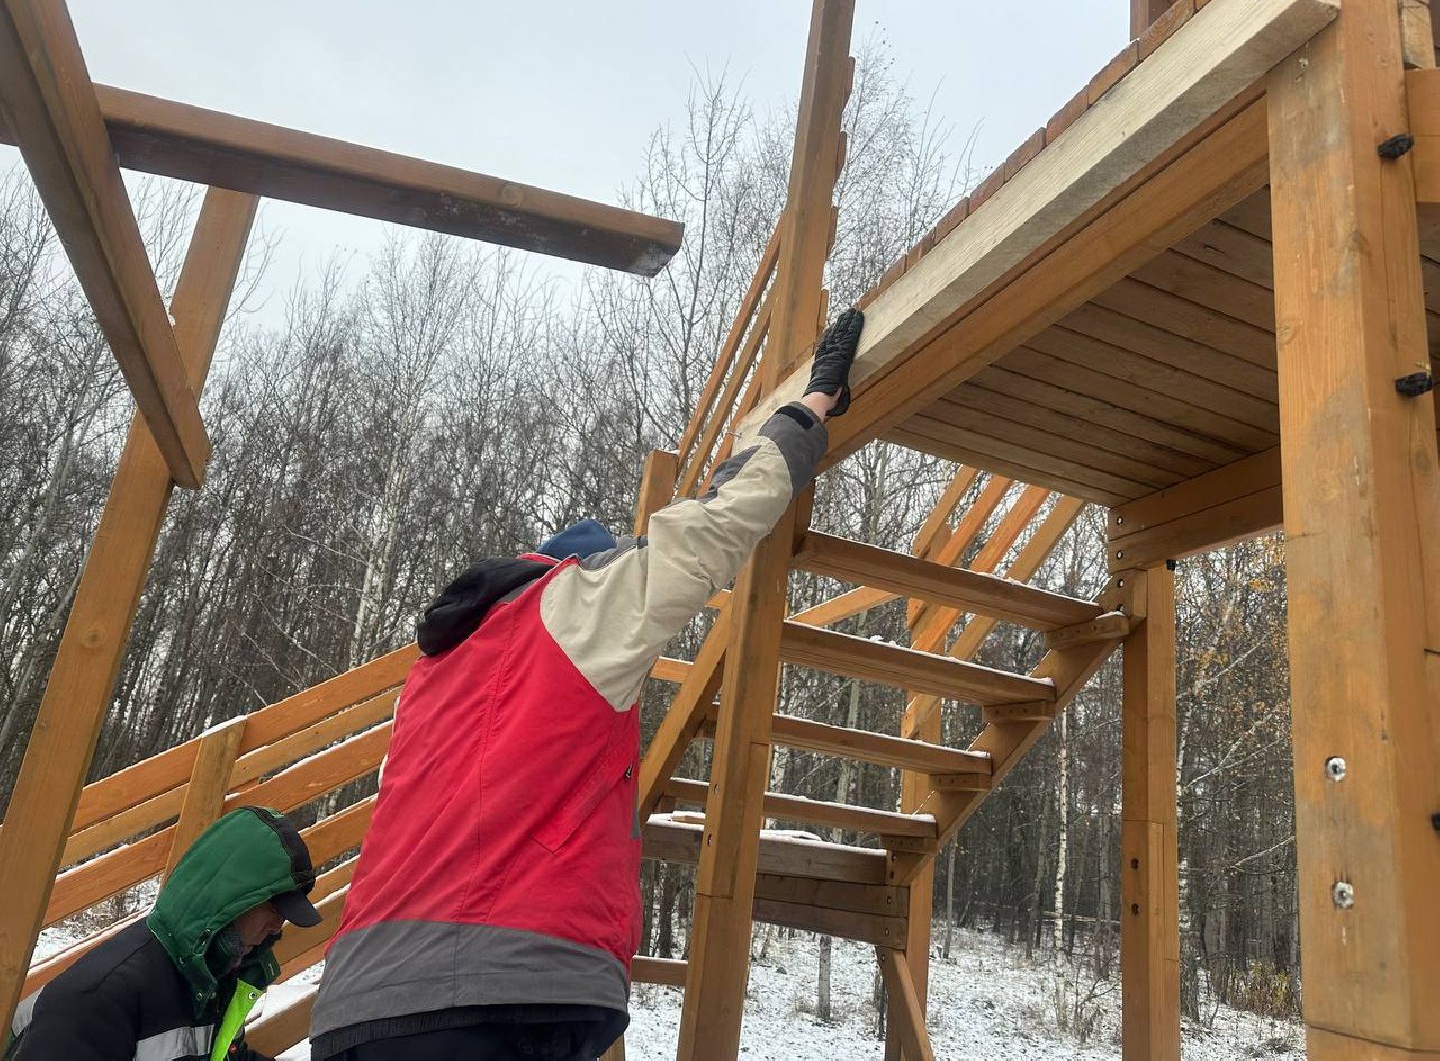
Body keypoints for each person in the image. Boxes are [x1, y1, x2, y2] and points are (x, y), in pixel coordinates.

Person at [308, 309, 866, 1061]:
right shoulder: (571, 602)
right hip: (494, 992)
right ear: (587, 566)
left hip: (357, 1003)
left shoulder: (434, 671)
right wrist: (807, 410)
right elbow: (713, 527)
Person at [8, 805, 321, 1061]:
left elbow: (227, 1057)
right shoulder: (98, 999)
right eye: (274, 910)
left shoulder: (211, 982)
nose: (277, 927)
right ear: (230, 901)